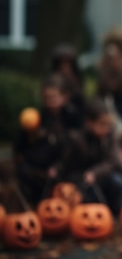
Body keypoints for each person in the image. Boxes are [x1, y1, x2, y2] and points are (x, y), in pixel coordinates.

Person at [59, 99, 122, 215]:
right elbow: (68, 164)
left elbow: (114, 159)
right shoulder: (77, 139)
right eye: (102, 124)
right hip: (81, 177)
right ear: (89, 123)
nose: (106, 128)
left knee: (118, 182)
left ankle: (114, 214)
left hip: (101, 174)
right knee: (89, 192)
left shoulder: (109, 137)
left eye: (109, 125)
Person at [13, 74, 82, 205]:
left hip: (65, 167)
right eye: (46, 98)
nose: (49, 102)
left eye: (53, 98)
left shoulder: (73, 118)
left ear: (65, 97)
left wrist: (58, 166)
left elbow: (76, 148)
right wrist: (33, 136)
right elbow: (22, 148)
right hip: (40, 168)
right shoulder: (36, 118)